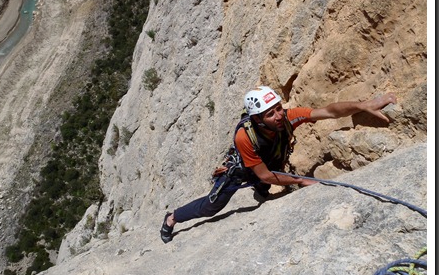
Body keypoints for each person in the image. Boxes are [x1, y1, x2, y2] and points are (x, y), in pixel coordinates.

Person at [160, 85, 397, 243]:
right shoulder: (245, 136)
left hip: (268, 162)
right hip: (242, 168)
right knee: (211, 207)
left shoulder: (287, 118)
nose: (279, 115)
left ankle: (260, 192)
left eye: (279, 109)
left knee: (263, 189)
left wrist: (363, 104)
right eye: (271, 114)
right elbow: (263, 174)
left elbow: (327, 111)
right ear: (257, 118)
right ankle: (173, 217)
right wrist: (302, 180)